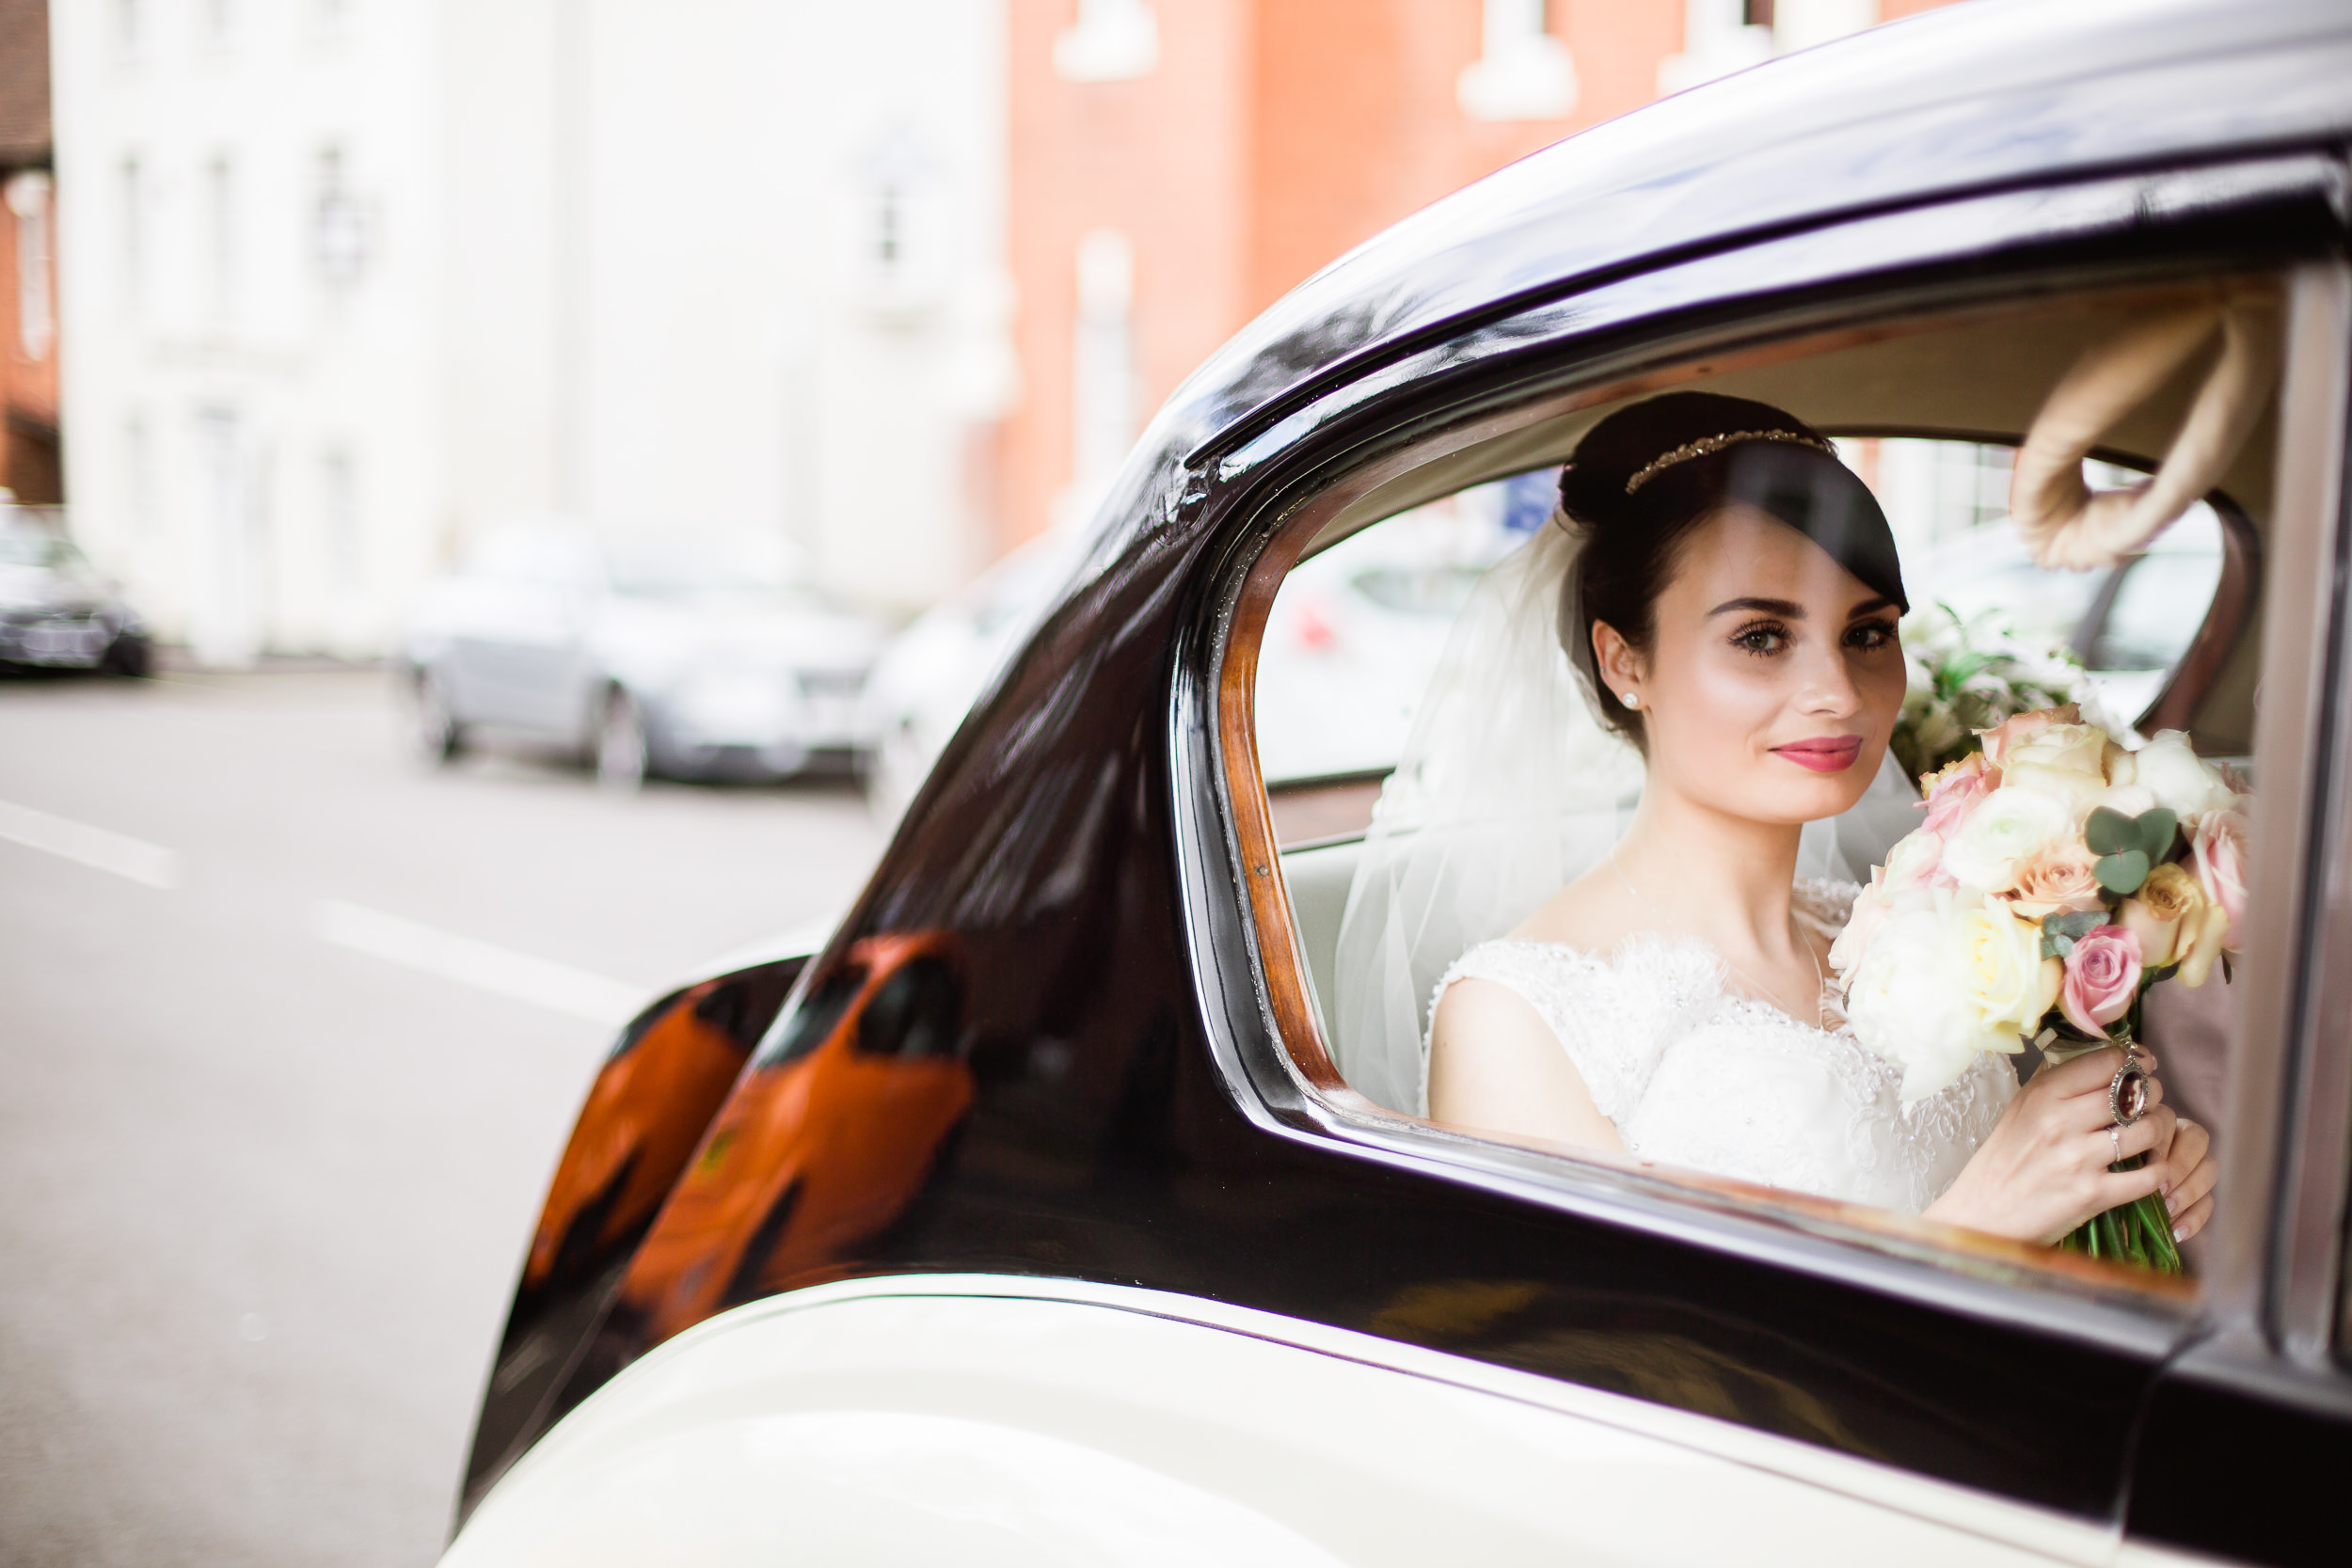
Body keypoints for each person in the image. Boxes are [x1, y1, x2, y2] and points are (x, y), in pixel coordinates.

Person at [1334, 392, 2218, 1248]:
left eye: (1867, 633)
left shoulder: (1897, 928)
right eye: (1761, 637)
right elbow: (1617, 1378)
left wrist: (2110, 1193)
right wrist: (1975, 1229)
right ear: (1623, 661)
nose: (1837, 692)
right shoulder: (1517, 1017)